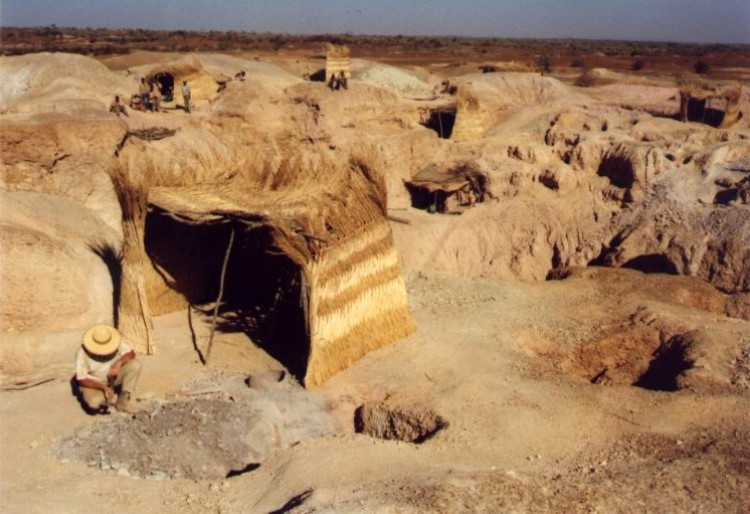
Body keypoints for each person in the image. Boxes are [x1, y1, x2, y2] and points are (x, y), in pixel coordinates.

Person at [75, 324, 141, 414]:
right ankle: (107, 394)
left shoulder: (115, 341)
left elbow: (131, 353)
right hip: (96, 383)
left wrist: (119, 363)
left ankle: (122, 401)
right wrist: (102, 387)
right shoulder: (82, 353)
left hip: (113, 377)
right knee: (94, 404)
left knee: (135, 365)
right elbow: (81, 379)